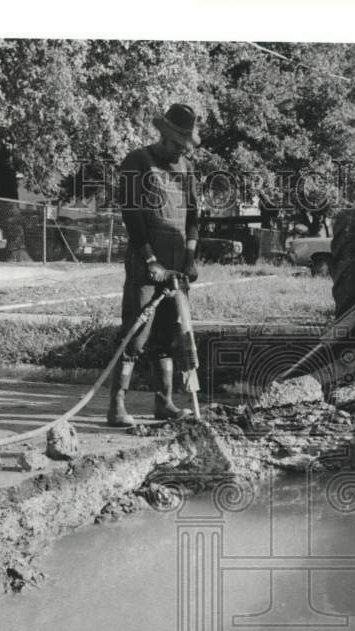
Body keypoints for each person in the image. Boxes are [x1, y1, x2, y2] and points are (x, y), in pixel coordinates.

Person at [107, 103, 201, 427]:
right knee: (135, 334)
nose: (179, 152)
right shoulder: (137, 162)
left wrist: (189, 260)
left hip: (176, 270)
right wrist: (150, 260)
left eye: (184, 147)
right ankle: (116, 406)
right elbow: (133, 220)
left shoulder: (186, 169)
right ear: (163, 135)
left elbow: (193, 220)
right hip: (145, 266)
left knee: (168, 336)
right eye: (176, 145)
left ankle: (165, 403)